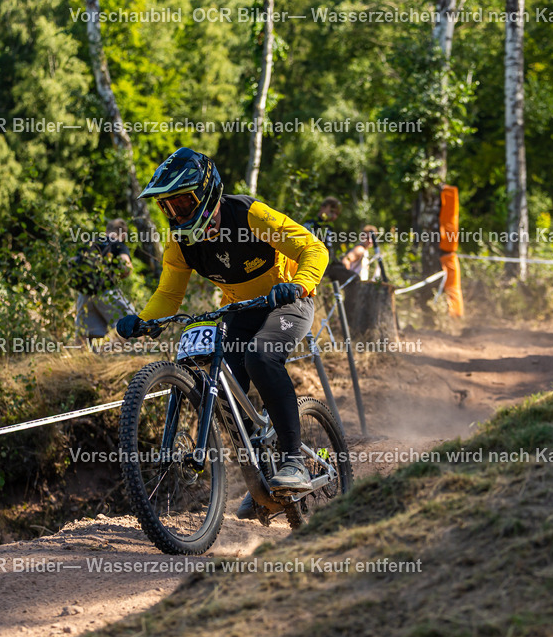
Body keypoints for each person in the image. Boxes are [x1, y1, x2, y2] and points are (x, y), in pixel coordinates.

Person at [115, 148, 328, 514]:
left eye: (182, 203)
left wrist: (301, 283)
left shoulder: (248, 214)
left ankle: (293, 460)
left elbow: (313, 247)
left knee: (260, 357)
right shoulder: (180, 243)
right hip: (239, 311)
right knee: (223, 385)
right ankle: (262, 476)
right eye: (168, 207)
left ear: (207, 193)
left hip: (288, 301)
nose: (175, 213)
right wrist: (142, 320)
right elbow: (168, 294)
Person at [72, 218, 137, 342]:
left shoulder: (90, 242)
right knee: (133, 324)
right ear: (123, 235)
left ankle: (83, 359)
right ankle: (135, 356)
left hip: (85, 293)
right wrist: (119, 276)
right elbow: (126, 266)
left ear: (107, 230)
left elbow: (73, 262)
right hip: (106, 292)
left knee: (85, 335)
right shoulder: (118, 244)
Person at [304, 196, 358, 285]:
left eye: (337, 214)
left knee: (352, 276)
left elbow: (329, 250)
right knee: (354, 278)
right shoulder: (311, 224)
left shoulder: (328, 227)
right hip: (314, 264)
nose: (334, 216)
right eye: (332, 211)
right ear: (323, 207)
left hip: (327, 265)